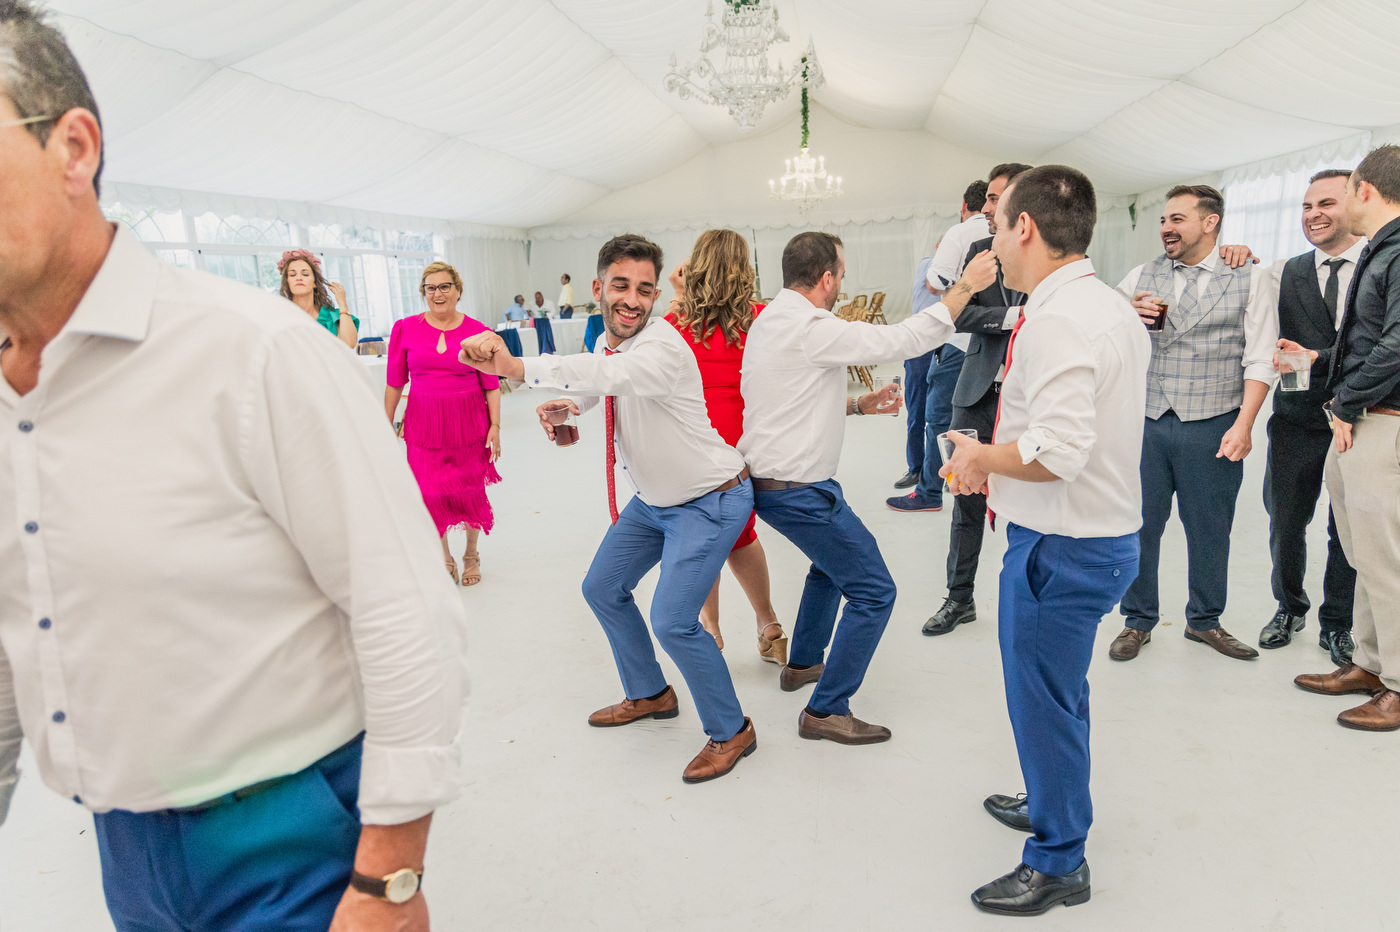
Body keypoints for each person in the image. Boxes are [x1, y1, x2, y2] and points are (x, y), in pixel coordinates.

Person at [0, 6, 466, 930]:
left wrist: (389, 882)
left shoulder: (252, 353)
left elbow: (405, 611)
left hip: (291, 844)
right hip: (126, 847)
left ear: (73, 147)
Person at [462, 235, 759, 783]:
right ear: (598, 287)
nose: (633, 299)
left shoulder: (664, 345)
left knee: (672, 620)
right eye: (621, 286)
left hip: (710, 499)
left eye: (645, 290)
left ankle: (732, 729)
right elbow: (600, 385)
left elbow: (614, 377)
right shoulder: (610, 341)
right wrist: (569, 406)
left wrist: (519, 366)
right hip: (654, 502)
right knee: (601, 587)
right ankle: (650, 694)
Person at [940, 165, 1149, 917]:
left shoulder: (1059, 319)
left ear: (1024, 228)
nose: (994, 238)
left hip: (1061, 544)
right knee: (1058, 695)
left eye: (998, 226)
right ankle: (1052, 798)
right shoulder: (1104, 305)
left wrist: (975, 458)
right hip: (1096, 531)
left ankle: (1059, 859)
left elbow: (1056, 450)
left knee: (1040, 701)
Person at [739, 231, 996, 743]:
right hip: (799, 491)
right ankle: (825, 709)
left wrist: (859, 404)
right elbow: (903, 339)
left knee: (830, 570)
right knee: (875, 591)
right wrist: (964, 287)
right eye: (842, 273)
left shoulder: (772, 319)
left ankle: (804, 664)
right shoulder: (812, 324)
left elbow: (791, 401)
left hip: (779, 483)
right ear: (828, 278)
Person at [1108, 186, 1278, 662]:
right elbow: (1101, 329)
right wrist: (1125, 314)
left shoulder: (1250, 276)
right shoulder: (1142, 274)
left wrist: (1244, 424)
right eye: (1163, 219)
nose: (1166, 227)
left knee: (1210, 526)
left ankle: (1204, 620)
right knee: (1141, 524)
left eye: (1178, 218)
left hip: (1214, 420)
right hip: (1147, 419)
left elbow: (1260, 356)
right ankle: (1137, 620)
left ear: (1211, 223)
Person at [1295, 144, 1400, 731]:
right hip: (1363, 417)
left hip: (1383, 421)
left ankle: (1398, 684)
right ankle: (1369, 662)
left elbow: (1397, 347)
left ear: (1365, 190)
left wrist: (1343, 399)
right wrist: (1319, 362)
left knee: (1385, 559)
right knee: (1363, 553)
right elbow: (1368, 341)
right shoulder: (1382, 251)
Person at [664, 229, 786, 665]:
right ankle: (768, 623)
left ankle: (712, 630)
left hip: (696, 436)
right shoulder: (761, 316)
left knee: (705, 535)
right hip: (745, 434)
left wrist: (679, 295)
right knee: (740, 531)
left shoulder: (675, 323)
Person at [920, 163, 1032, 634]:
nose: (985, 208)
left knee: (1032, 497)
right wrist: (1015, 319)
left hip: (1030, 399)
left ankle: (1029, 600)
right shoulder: (978, 250)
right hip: (976, 392)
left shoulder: (1055, 258)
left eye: (994, 199)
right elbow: (959, 315)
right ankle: (958, 598)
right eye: (986, 198)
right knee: (964, 496)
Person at [1258, 170, 1361, 662]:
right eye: (1305, 206)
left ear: (1358, 203)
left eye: (1326, 203)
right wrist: (1236, 256)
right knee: (1285, 521)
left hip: (1357, 420)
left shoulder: (1377, 267)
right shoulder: (1282, 270)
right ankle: (1289, 605)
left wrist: (1319, 356)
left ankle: (1337, 622)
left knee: (1346, 528)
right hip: (1296, 418)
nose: (1313, 214)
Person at [385, 262, 502, 586]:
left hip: (469, 423)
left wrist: (495, 426)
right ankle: (444, 556)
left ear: (458, 290)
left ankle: (470, 554)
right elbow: (395, 383)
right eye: (431, 288)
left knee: (469, 490)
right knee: (428, 492)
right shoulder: (405, 329)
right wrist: (385, 424)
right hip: (423, 424)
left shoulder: (477, 330)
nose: (438, 293)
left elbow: (491, 385)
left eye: (445, 286)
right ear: (424, 292)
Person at [889, 177, 989, 510]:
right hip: (994, 340)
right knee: (977, 415)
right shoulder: (1007, 235)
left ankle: (930, 491)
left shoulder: (959, 234)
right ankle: (966, 480)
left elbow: (934, 284)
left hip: (958, 339)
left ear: (964, 207)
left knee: (936, 415)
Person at [279, 248, 358, 348]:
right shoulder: (281, 317)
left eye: (305, 274)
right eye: (292, 274)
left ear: (315, 283)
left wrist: (342, 304)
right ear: (287, 282)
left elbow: (349, 343)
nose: (299, 278)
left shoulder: (331, 317)